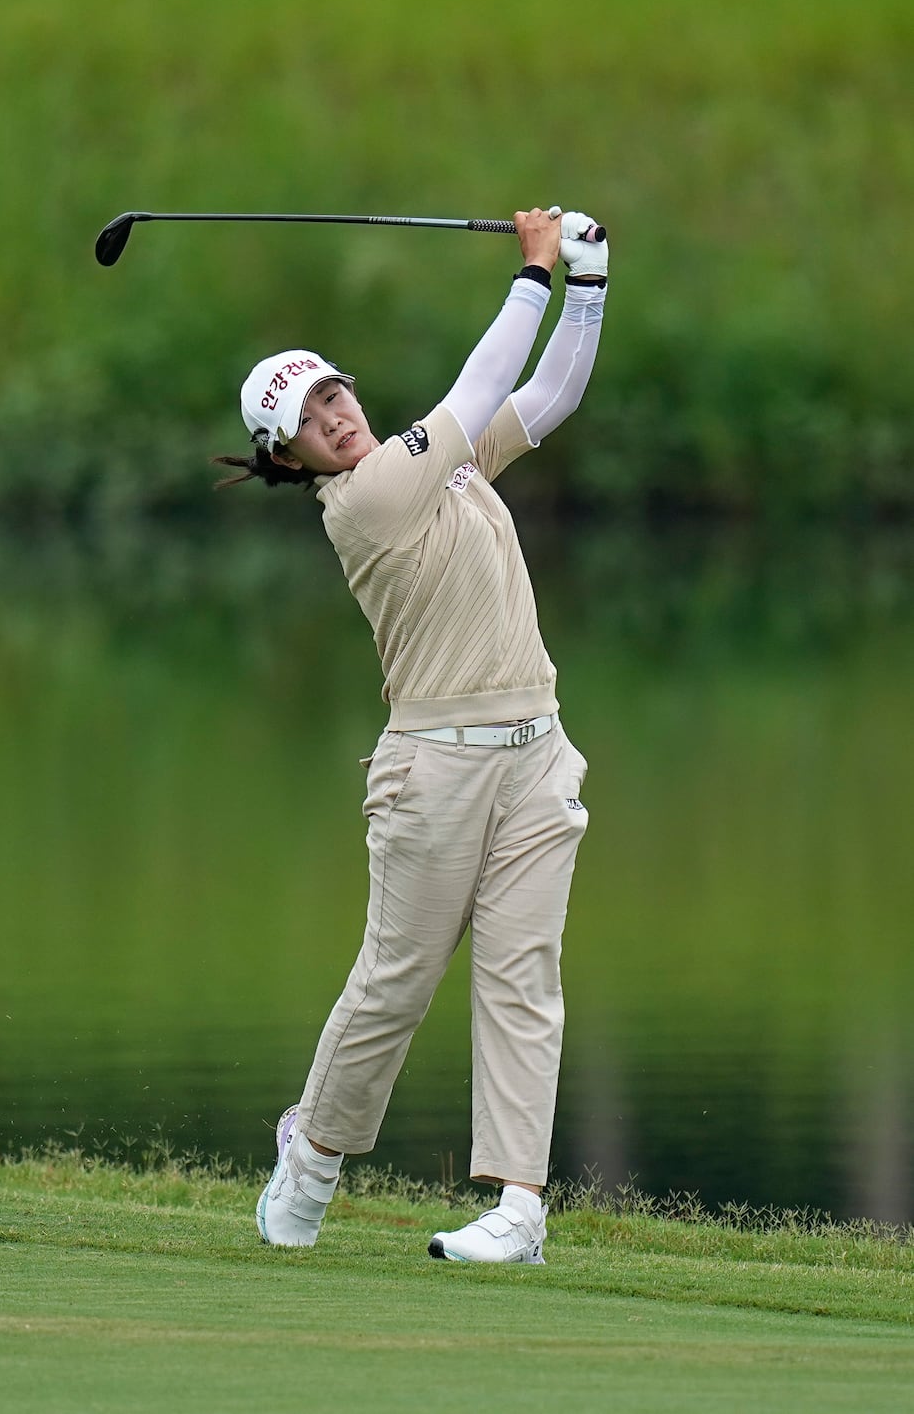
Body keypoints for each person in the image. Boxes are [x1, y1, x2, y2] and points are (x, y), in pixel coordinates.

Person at [213, 205, 608, 1264]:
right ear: (289, 455)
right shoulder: (366, 499)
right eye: (307, 416)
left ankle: (517, 1209)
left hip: (535, 755)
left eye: (332, 392)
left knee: (524, 975)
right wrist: (532, 271)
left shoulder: (447, 464)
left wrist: (588, 284)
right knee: (395, 981)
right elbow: (478, 387)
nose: (333, 417)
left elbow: (548, 394)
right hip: (433, 771)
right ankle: (313, 1153)